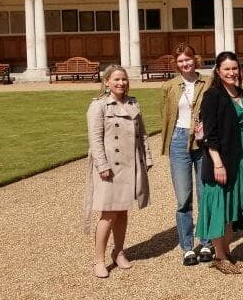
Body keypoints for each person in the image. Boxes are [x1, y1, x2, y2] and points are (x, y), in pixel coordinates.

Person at [198, 51, 243, 275]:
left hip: (241, 157)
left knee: (232, 205)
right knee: (219, 206)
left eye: (234, 68)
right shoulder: (213, 95)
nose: (231, 72)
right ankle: (219, 256)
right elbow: (210, 133)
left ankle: (226, 253)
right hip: (222, 158)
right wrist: (217, 163)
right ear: (218, 71)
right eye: (226, 69)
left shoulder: (240, 92)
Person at [84, 65, 151, 278]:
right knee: (108, 213)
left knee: (122, 211)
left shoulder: (133, 103)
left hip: (130, 164)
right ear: (107, 82)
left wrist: (147, 158)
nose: (121, 83)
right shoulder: (99, 106)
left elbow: (142, 134)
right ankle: (98, 260)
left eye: (124, 79)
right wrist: (102, 166)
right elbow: (95, 139)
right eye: (116, 80)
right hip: (110, 167)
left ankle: (118, 251)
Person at [160, 43, 212, 267]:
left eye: (188, 59)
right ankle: (188, 247)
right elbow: (165, 114)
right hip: (179, 140)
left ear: (195, 59)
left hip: (202, 140)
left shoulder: (208, 82)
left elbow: (215, 110)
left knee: (205, 193)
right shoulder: (170, 86)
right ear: (176, 63)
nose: (185, 64)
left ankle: (208, 242)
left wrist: (206, 128)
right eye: (180, 61)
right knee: (183, 198)